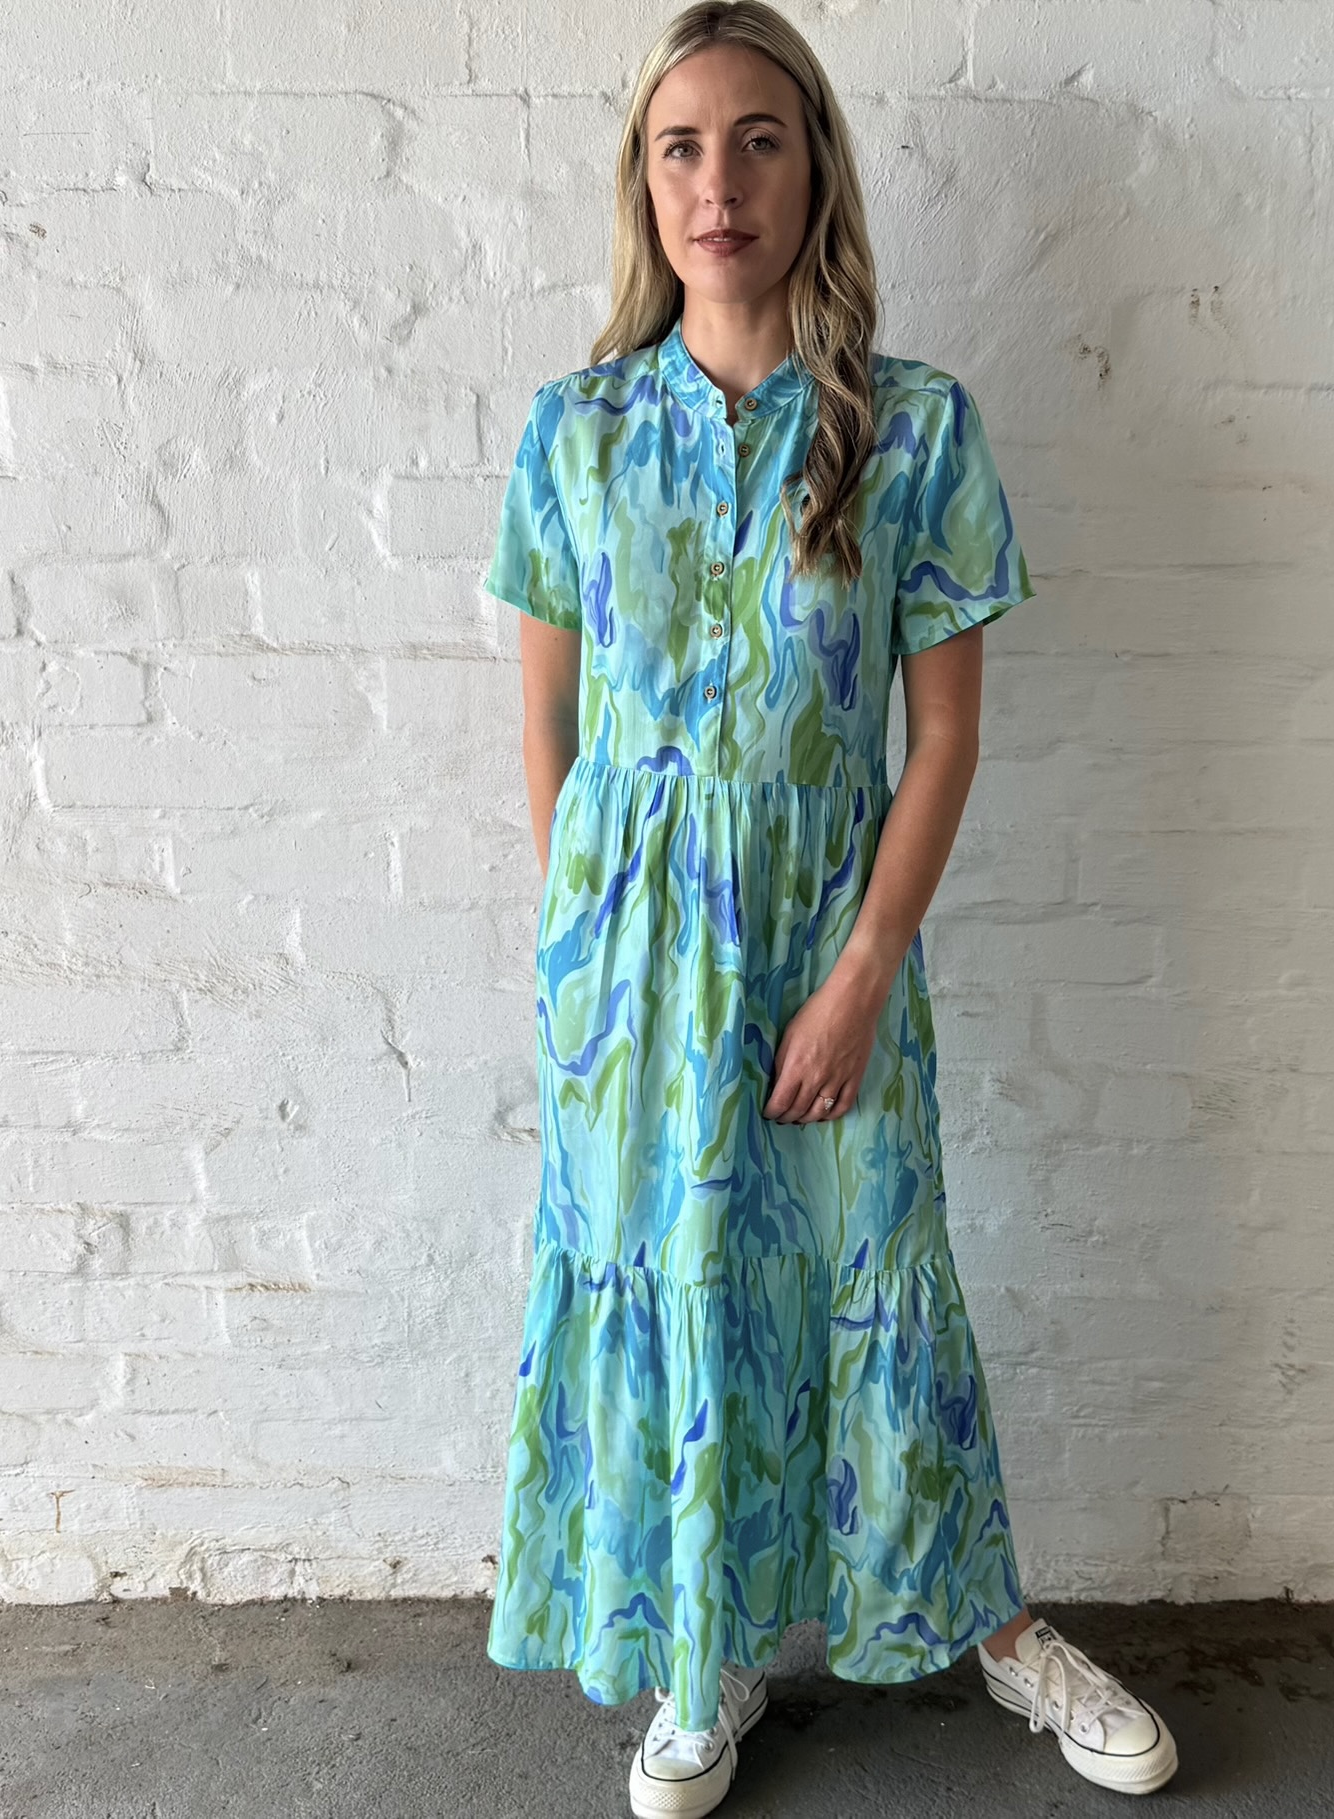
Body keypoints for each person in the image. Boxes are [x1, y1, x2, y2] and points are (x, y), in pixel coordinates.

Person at [482, 4, 1178, 1811]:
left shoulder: (911, 430)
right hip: (628, 975)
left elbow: (941, 738)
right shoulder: (575, 435)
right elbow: (550, 728)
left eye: (758, 139)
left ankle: (995, 1629)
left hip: (829, 937)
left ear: (814, 172)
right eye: (681, 145)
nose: (718, 180)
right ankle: (704, 1647)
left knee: (881, 1272)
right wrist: (585, 959)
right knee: (682, 1280)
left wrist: (865, 970)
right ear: (646, 186)